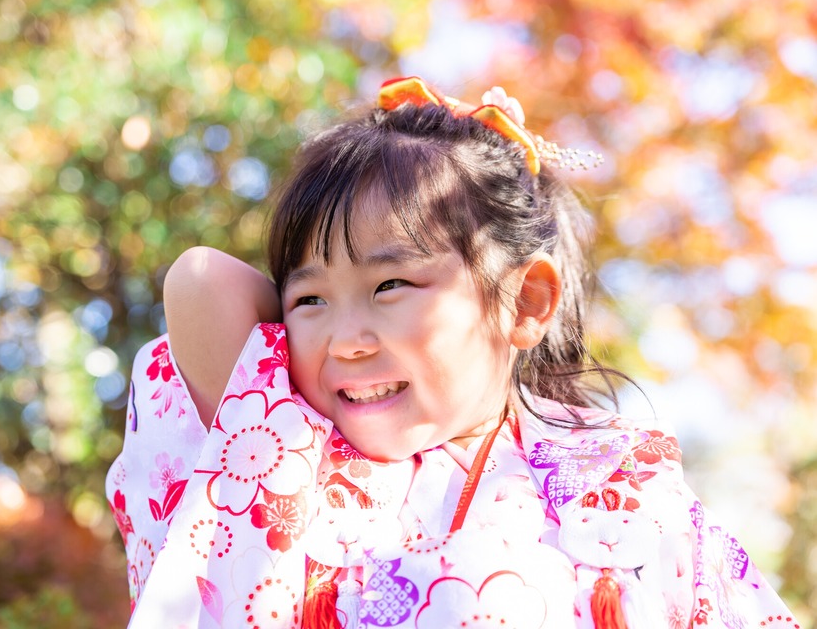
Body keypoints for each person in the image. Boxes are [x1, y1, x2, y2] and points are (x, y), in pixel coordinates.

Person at [106, 77, 798, 628]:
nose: (346, 340)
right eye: (309, 300)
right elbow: (202, 281)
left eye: (391, 285)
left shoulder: (616, 482)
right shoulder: (285, 445)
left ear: (525, 303)